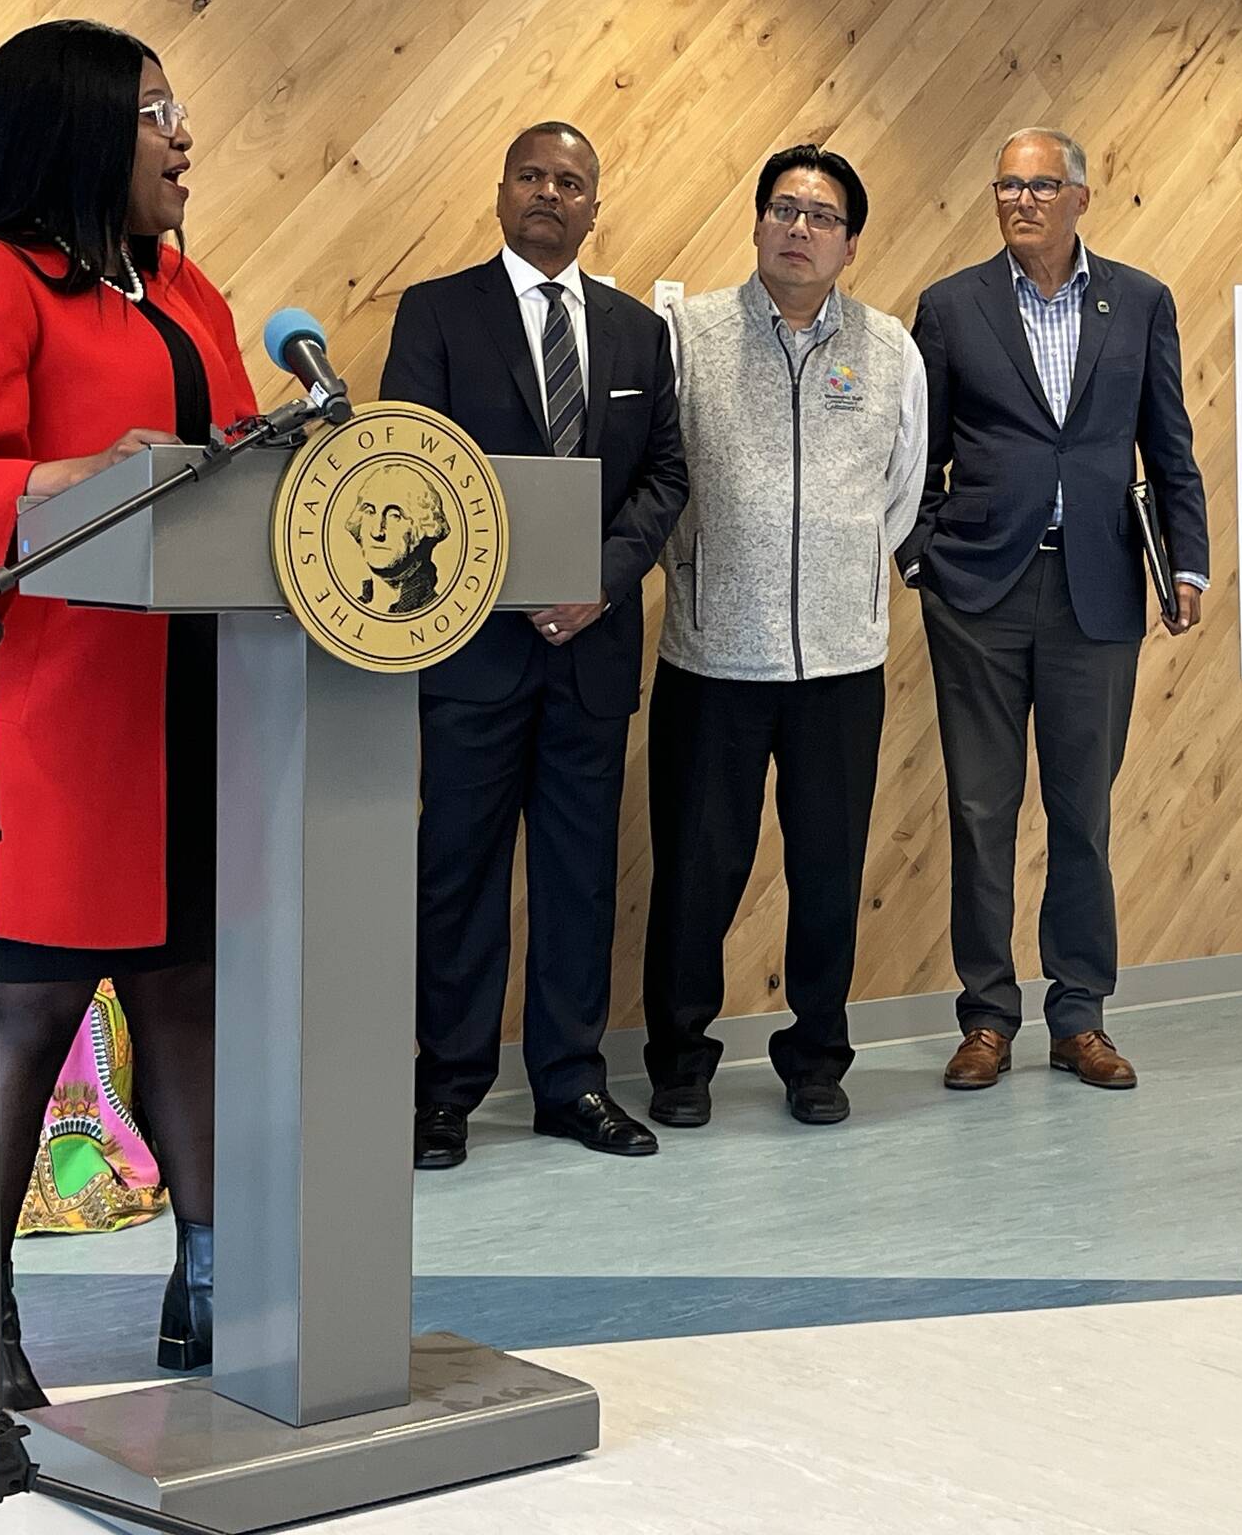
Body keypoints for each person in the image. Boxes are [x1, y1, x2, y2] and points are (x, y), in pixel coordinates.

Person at [0, 20, 259, 1403]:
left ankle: (215, 1290)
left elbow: (240, 465)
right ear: (78, 131)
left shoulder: (187, 293)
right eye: (154, 112)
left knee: (188, 996)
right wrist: (81, 472)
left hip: (203, 705)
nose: (181, 135)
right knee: (28, 1016)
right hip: (61, 720)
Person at [383, 122, 688, 1170]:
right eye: (531, 176)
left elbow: (666, 477)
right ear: (501, 190)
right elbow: (410, 468)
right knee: (456, 872)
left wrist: (598, 585)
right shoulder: (437, 314)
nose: (549, 193)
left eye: (571, 181)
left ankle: (570, 1083)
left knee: (578, 877)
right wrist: (503, 583)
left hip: (591, 653)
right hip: (471, 649)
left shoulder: (638, 333)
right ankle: (445, 1088)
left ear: (593, 206)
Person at [899, 128, 1210, 1093]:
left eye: (1041, 186)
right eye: (1006, 186)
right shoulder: (951, 308)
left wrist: (1188, 563)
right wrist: (922, 559)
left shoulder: (1143, 301)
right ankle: (986, 1018)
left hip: (1100, 591)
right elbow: (918, 450)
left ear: (1082, 197)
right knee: (981, 810)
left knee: (1083, 815)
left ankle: (1080, 1016)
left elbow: (1171, 444)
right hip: (980, 594)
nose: (1022, 201)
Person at [643, 144, 925, 1129]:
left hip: (840, 668)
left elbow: (900, 486)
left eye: (820, 215)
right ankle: (678, 1059)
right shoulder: (686, 335)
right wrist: (702, 570)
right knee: (694, 870)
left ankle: (816, 1057)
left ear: (849, 242)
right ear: (758, 222)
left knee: (826, 871)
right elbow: (659, 479)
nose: (798, 228)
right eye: (782, 208)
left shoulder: (888, 348)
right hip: (711, 658)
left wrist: (841, 571)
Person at [345, 463, 449, 614]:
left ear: (423, 527)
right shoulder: (353, 608)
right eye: (369, 512)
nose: (377, 532)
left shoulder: (434, 610)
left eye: (394, 516)